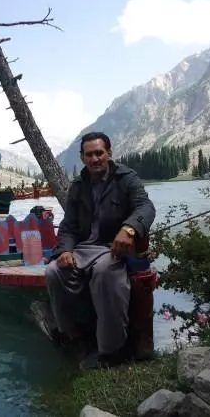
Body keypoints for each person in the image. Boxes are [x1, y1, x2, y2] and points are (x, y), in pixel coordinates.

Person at [44, 131, 156, 370]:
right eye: (89, 155)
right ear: (82, 157)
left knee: (105, 272)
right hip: (83, 249)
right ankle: (73, 336)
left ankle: (111, 351)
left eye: (99, 153)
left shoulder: (126, 178)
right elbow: (68, 226)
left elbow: (145, 207)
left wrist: (129, 229)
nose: (95, 159)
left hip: (111, 248)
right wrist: (65, 250)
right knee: (54, 271)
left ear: (109, 153)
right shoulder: (77, 186)